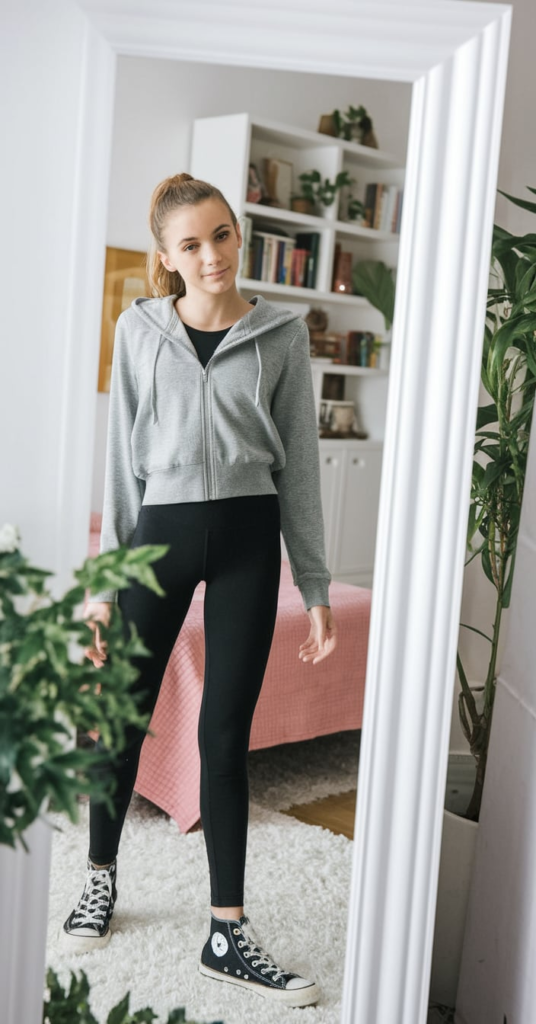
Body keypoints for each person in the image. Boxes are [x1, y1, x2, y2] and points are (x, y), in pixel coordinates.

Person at [60, 173, 338, 1007]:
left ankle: (227, 929)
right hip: (159, 542)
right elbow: (121, 463)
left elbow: (302, 471)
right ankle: (102, 875)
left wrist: (315, 582)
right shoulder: (138, 330)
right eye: (191, 244)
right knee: (120, 716)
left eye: (221, 235)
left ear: (237, 233)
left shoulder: (283, 336)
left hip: (252, 543)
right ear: (166, 258)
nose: (211, 255)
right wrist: (104, 582)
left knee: (225, 739)